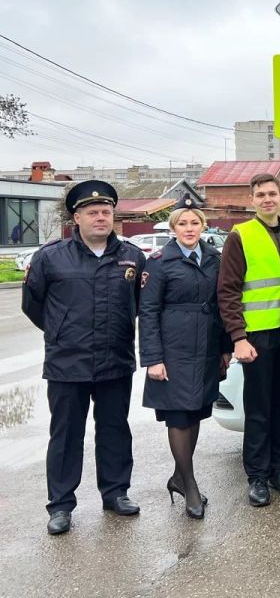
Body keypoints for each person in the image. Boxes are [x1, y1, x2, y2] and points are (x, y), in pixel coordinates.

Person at [22, 180, 146, 535]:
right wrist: (60, 331)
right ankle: (60, 505)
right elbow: (33, 304)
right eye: (92, 212)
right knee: (65, 436)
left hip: (115, 360)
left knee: (114, 431)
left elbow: (141, 306)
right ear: (76, 217)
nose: (100, 218)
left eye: (106, 212)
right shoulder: (50, 257)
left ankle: (116, 492)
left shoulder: (132, 257)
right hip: (67, 364)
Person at [138, 196, 232, 520]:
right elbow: (147, 311)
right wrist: (153, 358)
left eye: (195, 222)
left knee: (194, 414)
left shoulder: (213, 258)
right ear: (173, 227)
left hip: (205, 345)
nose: (189, 228)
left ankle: (179, 477)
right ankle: (189, 484)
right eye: (183, 223)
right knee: (178, 416)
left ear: (203, 225)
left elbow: (222, 305)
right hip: (172, 349)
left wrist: (225, 347)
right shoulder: (160, 261)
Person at [218, 173, 280, 507]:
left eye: (272, 193)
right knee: (258, 409)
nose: (267, 199)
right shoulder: (241, 235)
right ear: (252, 200)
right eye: (260, 195)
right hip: (256, 337)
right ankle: (257, 476)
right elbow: (227, 290)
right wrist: (238, 336)